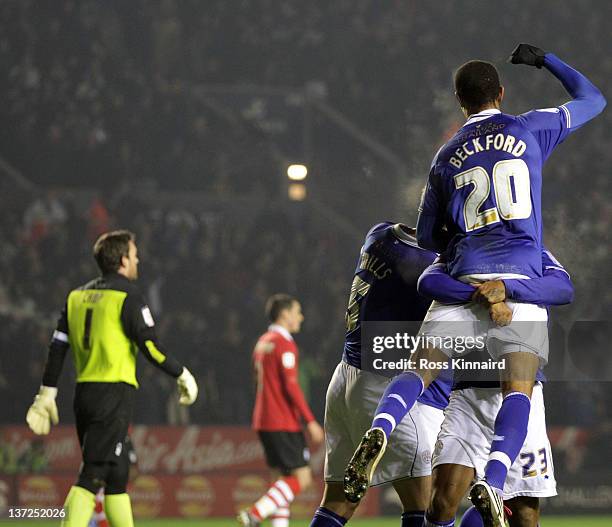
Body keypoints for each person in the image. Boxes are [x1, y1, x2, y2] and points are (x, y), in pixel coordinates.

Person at [345, 43, 605, 527]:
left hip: (465, 275)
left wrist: (462, 246)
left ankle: (382, 426)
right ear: (501, 93)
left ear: (459, 101)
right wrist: (545, 60)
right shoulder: (529, 128)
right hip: (520, 280)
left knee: (420, 367)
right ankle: (496, 473)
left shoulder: (444, 158)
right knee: (519, 389)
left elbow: (425, 239)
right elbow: (593, 100)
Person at [25, 230, 198, 527]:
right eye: (134, 254)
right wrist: (181, 373)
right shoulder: (128, 296)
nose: (138, 259)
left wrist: (47, 393)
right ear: (122, 259)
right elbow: (151, 347)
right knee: (92, 475)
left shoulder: (76, 296)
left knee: (117, 476)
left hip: (84, 396)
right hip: (113, 395)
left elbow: (57, 347)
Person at [418, 250, 572, 527]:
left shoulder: (533, 254)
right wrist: (478, 293)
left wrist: (505, 288)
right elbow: (428, 282)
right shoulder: (460, 252)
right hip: (468, 397)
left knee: (524, 512)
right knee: (440, 502)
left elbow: (562, 287)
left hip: (523, 396)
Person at [311, 222, 451, 527]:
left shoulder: (379, 234)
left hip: (345, 378)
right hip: (385, 386)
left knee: (337, 501)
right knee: (428, 507)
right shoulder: (429, 264)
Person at [239, 294, 324, 527]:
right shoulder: (284, 344)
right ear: (285, 314)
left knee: (281, 481)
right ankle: (255, 514)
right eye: (297, 312)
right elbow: (291, 386)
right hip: (282, 421)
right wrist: (310, 421)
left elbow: (256, 381)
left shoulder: (262, 341)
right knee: (302, 478)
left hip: (263, 420)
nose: (301, 317)